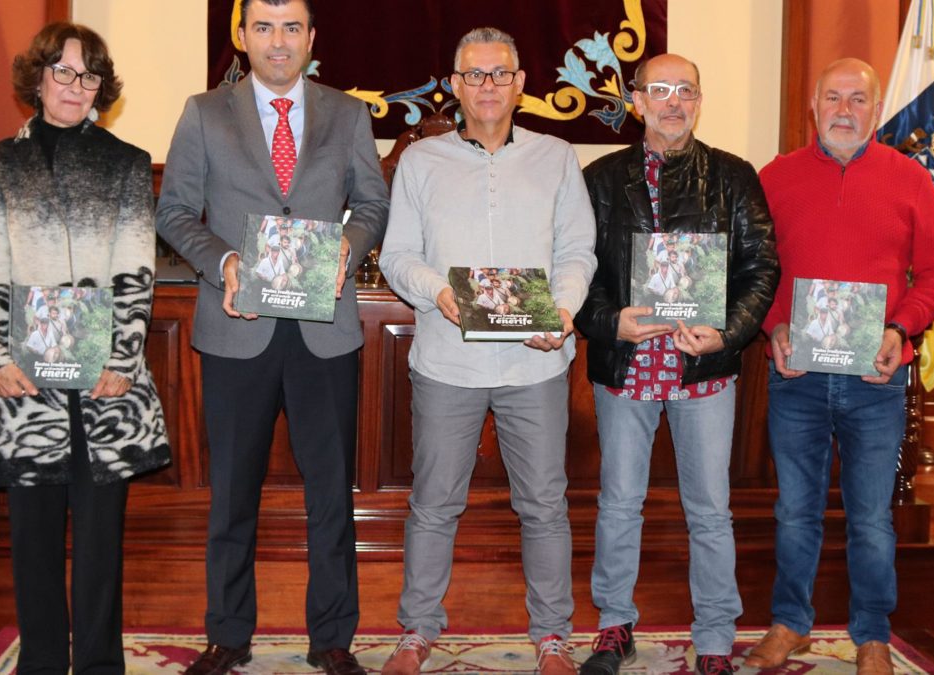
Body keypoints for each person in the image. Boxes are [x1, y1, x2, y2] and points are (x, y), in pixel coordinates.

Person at [154, 0, 388, 673]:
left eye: (291, 28)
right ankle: (228, 634)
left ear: (312, 37)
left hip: (325, 328)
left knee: (330, 495)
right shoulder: (204, 112)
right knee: (231, 494)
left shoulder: (348, 114)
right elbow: (174, 211)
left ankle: (332, 637)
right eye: (264, 27)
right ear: (242, 35)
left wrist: (348, 243)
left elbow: (372, 203)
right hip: (236, 327)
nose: (278, 41)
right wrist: (225, 261)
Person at [377, 26, 596, 675]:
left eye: (500, 73)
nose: (488, 86)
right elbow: (397, 256)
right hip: (448, 360)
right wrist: (438, 292)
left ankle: (553, 635)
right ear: (454, 85)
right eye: (474, 75)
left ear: (522, 83)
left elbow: (576, 249)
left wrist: (564, 308)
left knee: (543, 503)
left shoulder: (557, 156)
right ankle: (417, 630)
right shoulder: (421, 160)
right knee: (435, 501)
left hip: (536, 360)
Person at [0, 22, 171, 673]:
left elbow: (137, 270)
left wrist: (123, 357)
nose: (76, 85)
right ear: (38, 78)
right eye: (63, 70)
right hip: (25, 385)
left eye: (89, 74)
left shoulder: (127, 163)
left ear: (101, 87)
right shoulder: (1, 163)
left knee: (102, 544)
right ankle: (43, 663)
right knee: (33, 542)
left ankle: (102, 665)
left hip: (106, 384)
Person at [746, 57, 934, 675]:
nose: (845, 110)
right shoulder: (776, 178)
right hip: (797, 379)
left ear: (875, 108)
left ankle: (871, 634)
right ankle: (790, 624)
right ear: (813, 107)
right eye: (833, 98)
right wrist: (775, 325)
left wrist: (900, 327)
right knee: (794, 511)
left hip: (877, 379)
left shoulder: (911, 179)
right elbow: (753, 271)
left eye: (858, 99)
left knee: (870, 517)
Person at [575, 53, 779, 675]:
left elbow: (762, 268)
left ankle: (715, 640)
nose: (673, 101)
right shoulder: (600, 178)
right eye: (659, 90)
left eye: (685, 90)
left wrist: (727, 335)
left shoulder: (735, 177)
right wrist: (612, 323)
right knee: (618, 502)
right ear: (636, 101)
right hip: (629, 366)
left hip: (704, 370)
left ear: (698, 100)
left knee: (710, 509)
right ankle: (615, 625)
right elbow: (577, 271)